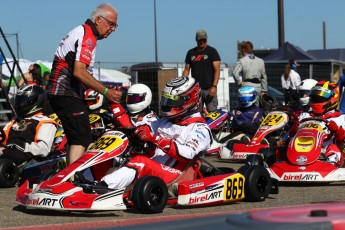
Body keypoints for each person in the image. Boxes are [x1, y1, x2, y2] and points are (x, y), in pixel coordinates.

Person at [100, 76, 212, 189]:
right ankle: (87, 183)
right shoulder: (163, 122)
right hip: (155, 170)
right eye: (166, 100)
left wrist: (156, 139)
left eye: (171, 101)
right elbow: (133, 128)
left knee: (140, 162)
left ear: (188, 100)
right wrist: (114, 104)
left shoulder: (199, 128)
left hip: (177, 176)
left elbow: (188, 153)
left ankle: (101, 188)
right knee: (113, 157)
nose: (167, 105)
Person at [46, 3, 122, 166]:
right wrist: (106, 91)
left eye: (115, 25)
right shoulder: (87, 35)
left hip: (61, 92)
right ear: (98, 19)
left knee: (76, 137)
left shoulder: (82, 31)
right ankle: (72, 181)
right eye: (111, 24)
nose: (113, 29)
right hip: (65, 92)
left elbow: (84, 74)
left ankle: (69, 178)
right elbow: (79, 72)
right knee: (82, 137)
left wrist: (103, 88)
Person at [289, 80, 345, 166]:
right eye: (315, 97)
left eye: (321, 98)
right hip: (303, 151)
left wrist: (338, 131)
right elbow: (292, 137)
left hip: (326, 154)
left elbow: (343, 142)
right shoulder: (304, 115)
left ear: (333, 98)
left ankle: (330, 166)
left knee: (333, 148)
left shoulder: (340, 118)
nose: (317, 100)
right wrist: (294, 130)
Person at [0, 85, 57, 166]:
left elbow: (43, 149)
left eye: (22, 101)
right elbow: (3, 137)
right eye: (19, 101)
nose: (20, 104)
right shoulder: (15, 120)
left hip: (28, 160)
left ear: (34, 101)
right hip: (7, 156)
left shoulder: (45, 122)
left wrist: (22, 147)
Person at [182, 29, 221, 113]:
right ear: (196, 39)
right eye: (200, 40)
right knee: (196, 114)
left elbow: (217, 71)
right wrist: (183, 85)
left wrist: (214, 87)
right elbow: (186, 69)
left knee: (212, 113)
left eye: (204, 40)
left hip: (209, 89)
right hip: (196, 90)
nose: (202, 42)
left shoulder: (212, 51)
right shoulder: (191, 52)